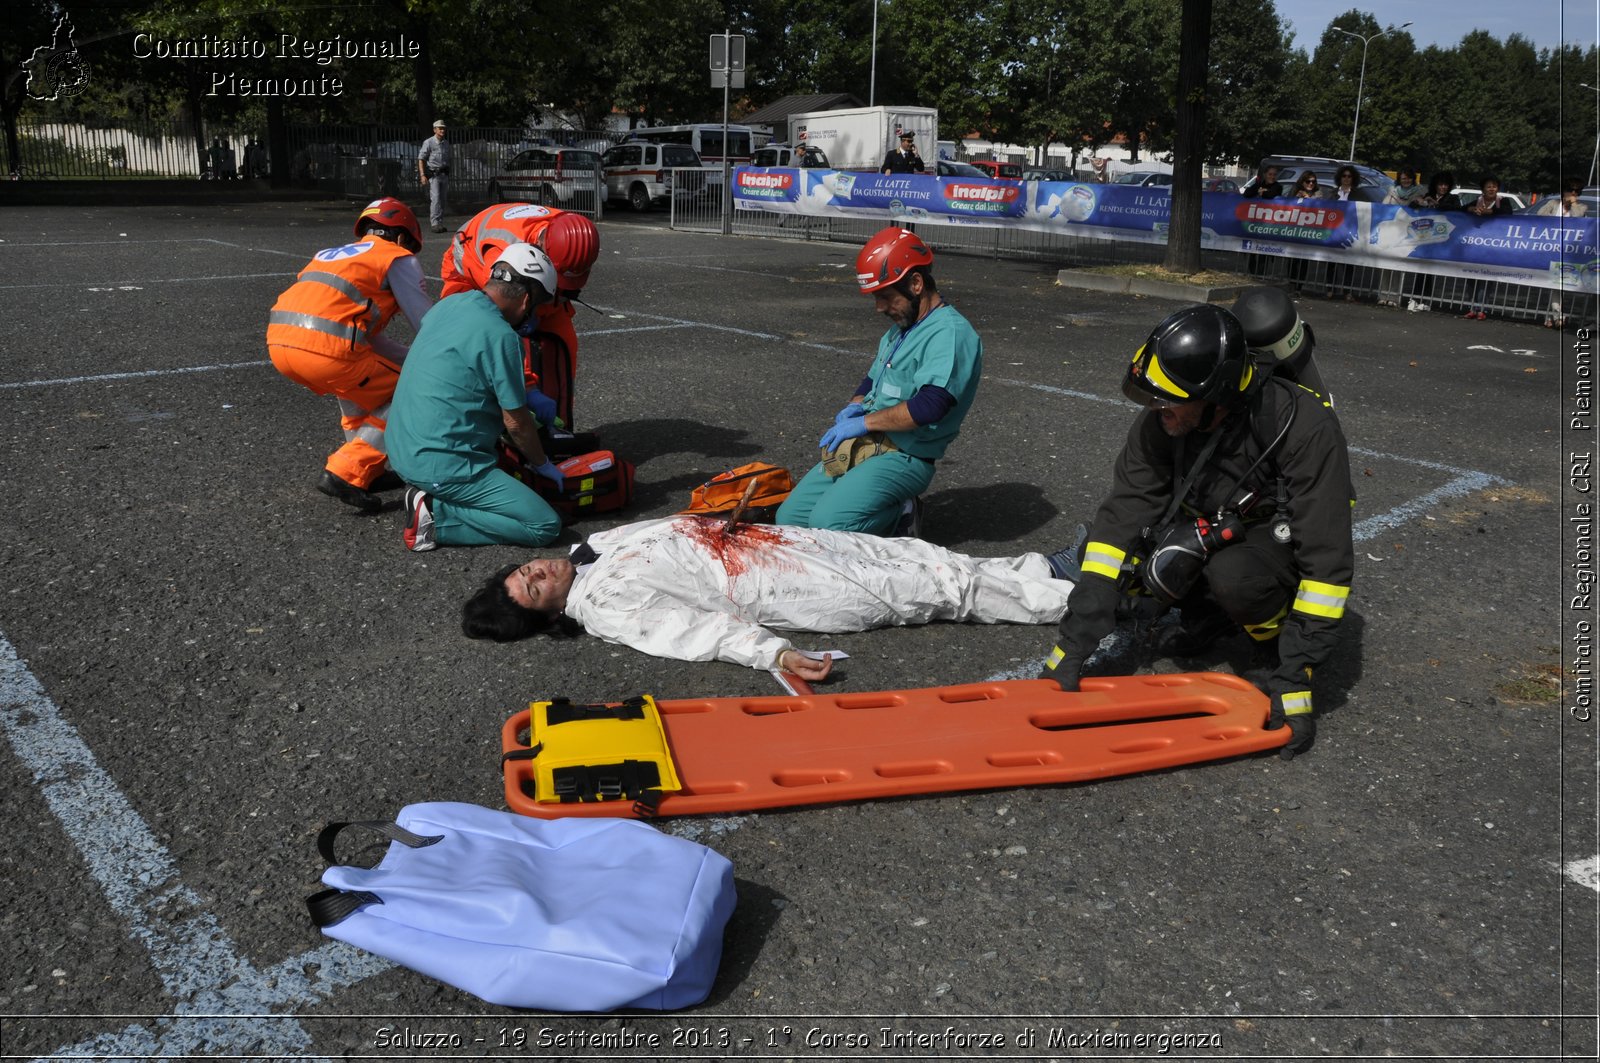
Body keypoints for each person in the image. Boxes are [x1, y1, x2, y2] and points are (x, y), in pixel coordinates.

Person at [1038, 304, 1354, 761]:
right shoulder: (1166, 419)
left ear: (1217, 398)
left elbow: (1326, 564)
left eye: (1168, 401)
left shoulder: (1303, 427)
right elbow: (1121, 518)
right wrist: (1073, 645)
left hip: (1270, 537)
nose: (1155, 409)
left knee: (1237, 578)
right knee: (1123, 558)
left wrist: (1294, 678)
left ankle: (1268, 642)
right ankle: (1209, 616)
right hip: (1212, 521)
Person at [461, 516, 1081, 681]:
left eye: (525, 569)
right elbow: (692, 632)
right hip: (783, 587)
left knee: (916, 556)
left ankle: (1048, 568)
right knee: (930, 590)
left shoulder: (591, 549)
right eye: (534, 587)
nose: (538, 569)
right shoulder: (605, 607)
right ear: (545, 614)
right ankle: (1084, 603)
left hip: (771, 543)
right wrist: (773, 655)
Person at [774, 226, 983, 535]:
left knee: (830, 524)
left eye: (885, 297)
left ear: (915, 283)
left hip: (905, 455)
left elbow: (931, 406)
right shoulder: (903, 328)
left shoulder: (949, 333)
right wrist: (854, 407)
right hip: (868, 443)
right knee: (789, 519)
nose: (879, 308)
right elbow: (873, 380)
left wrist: (866, 422)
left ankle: (903, 513)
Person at [385, 244, 565, 551]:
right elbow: (517, 423)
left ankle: (432, 493)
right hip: (441, 464)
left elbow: (467, 366)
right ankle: (436, 516)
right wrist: (542, 463)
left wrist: (527, 394)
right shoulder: (502, 335)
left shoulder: (449, 305)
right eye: (536, 308)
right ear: (525, 300)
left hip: (400, 447)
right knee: (544, 525)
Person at [266, 197, 433, 513]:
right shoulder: (397, 257)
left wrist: (407, 358)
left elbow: (367, 338)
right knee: (415, 392)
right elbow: (427, 323)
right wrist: (446, 358)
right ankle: (346, 472)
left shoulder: (330, 255)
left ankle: (369, 472)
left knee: (360, 391)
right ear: (401, 238)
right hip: (329, 350)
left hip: (281, 344)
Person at [439, 203, 601, 446]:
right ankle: (495, 434)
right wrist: (529, 388)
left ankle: (557, 432)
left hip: (529, 275)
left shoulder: (572, 232)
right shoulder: (502, 258)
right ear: (545, 248)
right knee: (474, 352)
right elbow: (499, 335)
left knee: (563, 342)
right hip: (470, 278)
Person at [417, 119, 452, 233]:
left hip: (444, 175)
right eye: (440, 128)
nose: (442, 130)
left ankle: (440, 223)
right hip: (434, 175)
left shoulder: (446, 143)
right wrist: (422, 175)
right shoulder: (429, 142)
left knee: (442, 200)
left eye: (443, 128)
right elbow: (421, 159)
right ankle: (434, 223)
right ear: (434, 130)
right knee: (436, 199)